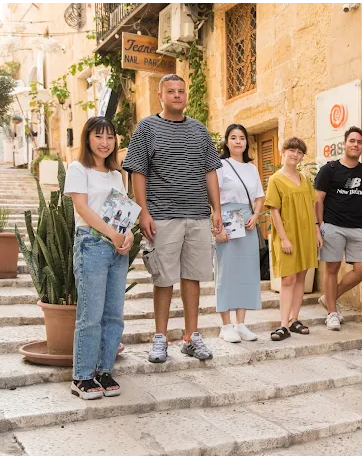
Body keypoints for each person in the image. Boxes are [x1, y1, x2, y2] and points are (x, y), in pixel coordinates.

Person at [122, 73, 223, 364]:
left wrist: (216, 209)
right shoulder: (147, 128)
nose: (177, 95)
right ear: (160, 96)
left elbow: (210, 172)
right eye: (171, 91)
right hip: (162, 216)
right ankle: (160, 338)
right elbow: (137, 171)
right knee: (163, 278)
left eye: (181, 91)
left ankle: (191, 337)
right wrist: (143, 211)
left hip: (197, 215)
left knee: (192, 277)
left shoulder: (199, 130)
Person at [65, 116, 135, 400]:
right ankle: (81, 376)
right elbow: (82, 208)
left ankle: (104, 371)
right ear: (88, 138)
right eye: (98, 136)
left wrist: (128, 236)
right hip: (91, 244)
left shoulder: (117, 174)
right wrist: (113, 234)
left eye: (110, 137)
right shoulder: (78, 168)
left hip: (117, 248)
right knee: (90, 315)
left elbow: (122, 210)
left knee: (114, 314)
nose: (105, 143)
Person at [315, 126, 362, 331]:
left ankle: (329, 298)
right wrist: (320, 226)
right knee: (332, 269)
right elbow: (318, 200)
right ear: (345, 143)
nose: (355, 145)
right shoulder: (330, 169)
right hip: (333, 225)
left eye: (359, 142)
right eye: (352, 141)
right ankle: (332, 313)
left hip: (358, 228)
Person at [265, 137, 322, 341]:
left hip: (305, 234)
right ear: (283, 151)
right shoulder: (275, 180)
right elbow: (274, 211)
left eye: (299, 152)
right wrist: (284, 239)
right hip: (287, 235)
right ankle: (283, 325)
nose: (295, 155)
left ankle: (294, 319)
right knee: (288, 279)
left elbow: (312, 207)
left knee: (301, 277)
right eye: (292, 150)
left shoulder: (304, 179)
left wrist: (316, 231)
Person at [214, 124, 266, 343]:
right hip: (226, 219)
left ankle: (241, 324)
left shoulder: (252, 169)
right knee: (226, 272)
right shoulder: (220, 165)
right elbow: (212, 196)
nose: (238, 141)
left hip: (247, 222)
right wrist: (217, 226)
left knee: (246, 272)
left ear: (246, 142)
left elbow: (260, 196)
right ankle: (225, 325)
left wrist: (256, 214)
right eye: (233, 137)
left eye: (242, 138)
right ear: (227, 141)